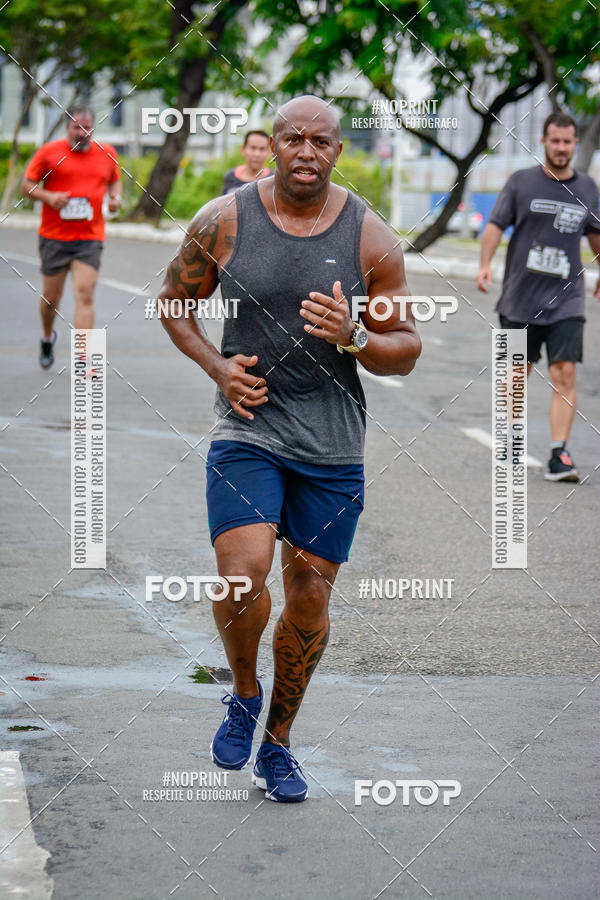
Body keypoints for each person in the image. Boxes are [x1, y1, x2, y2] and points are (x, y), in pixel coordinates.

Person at [159, 95, 421, 802]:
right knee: (243, 576)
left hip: (333, 446)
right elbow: (173, 301)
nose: (306, 152)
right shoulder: (225, 220)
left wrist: (357, 336)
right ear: (271, 144)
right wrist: (218, 368)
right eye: (292, 138)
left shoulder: (373, 239)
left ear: (340, 151)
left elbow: (406, 351)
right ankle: (243, 693)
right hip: (249, 429)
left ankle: (278, 744)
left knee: (308, 598)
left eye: (321, 142)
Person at [477, 112, 600, 482]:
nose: (561, 148)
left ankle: (558, 454)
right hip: (520, 299)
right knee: (516, 375)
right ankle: (511, 443)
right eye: (555, 141)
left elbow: (595, 234)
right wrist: (485, 264)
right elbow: (496, 225)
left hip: (567, 299)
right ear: (544, 142)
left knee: (564, 373)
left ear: (575, 144)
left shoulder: (588, 188)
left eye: (567, 142)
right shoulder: (522, 183)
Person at [22, 104, 122, 369]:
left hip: (89, 238)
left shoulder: (107, 153)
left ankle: (84, 358)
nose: (83, 132)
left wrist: (115, 198)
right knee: (51, 299)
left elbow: (114, 179)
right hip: (54, 237)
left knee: (85, 294)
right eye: (77, 127)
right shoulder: (49, 153)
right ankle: (47, 337)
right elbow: (27, 186)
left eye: (87, 127)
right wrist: (49, 196)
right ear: (67, 127)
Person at [221, 130, 272, 194]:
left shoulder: (273, 179)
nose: (257, 154)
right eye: (253, 148)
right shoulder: (230, 177)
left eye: (262, 149)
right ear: (243, 149)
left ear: (269, 152)